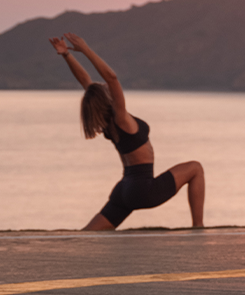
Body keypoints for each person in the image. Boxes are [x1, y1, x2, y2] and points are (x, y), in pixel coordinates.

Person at [49, 32, 206, 232]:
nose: (105, 85)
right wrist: (86, 50)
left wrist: (67, 55)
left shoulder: (106, 120)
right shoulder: (120, 117)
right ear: (106, 97)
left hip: (124, 191)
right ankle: (198, 228)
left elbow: (86, 81)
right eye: (103, 87)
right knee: (195, 168)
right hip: (143, 189)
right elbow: (112, 78)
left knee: (86, 236)